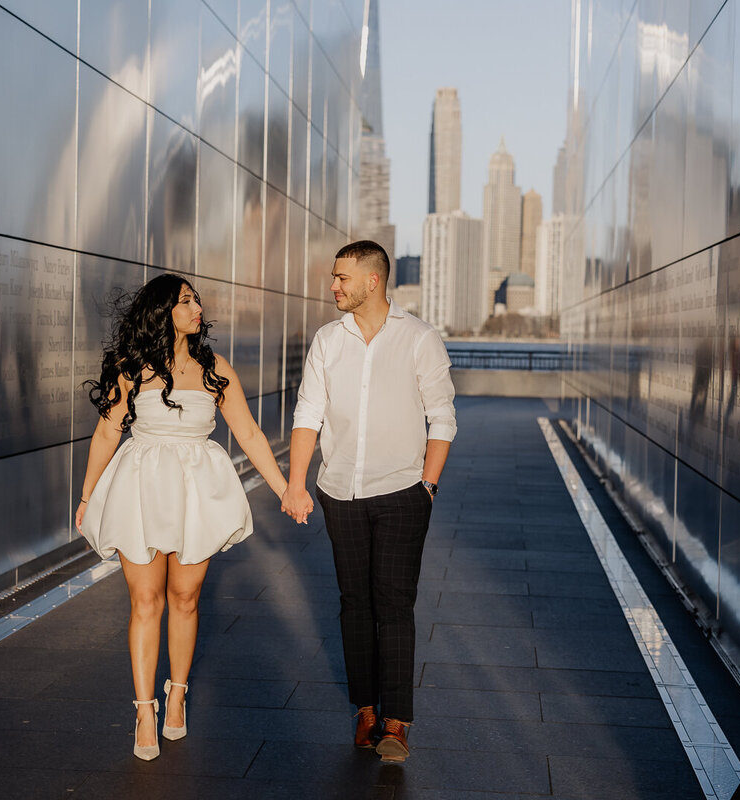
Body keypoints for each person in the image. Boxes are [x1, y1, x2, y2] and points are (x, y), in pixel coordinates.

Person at [76, 273, 308, 761]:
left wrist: (286, 488)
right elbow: (105, 435)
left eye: (196, 300)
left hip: (194, 494)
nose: (197, 307)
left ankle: (176, 692)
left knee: (184, 597)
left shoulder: (214, 368)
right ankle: (145, 709)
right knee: (146, 601)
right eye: (185, 301)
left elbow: (247, 432)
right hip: (139, 491)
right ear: (163, 312)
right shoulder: (130, 367)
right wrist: (86, 496)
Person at [280, 240, 456, 763]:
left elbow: (442, 417)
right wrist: (296, 483)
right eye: (334, 278)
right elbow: (308, 412)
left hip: (404, 491)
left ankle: (397, 720)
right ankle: (365, 711)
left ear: (372, 280)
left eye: (342, 278)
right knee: (354, 603)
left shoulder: (419, 338)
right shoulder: (327, 341)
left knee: (394, 604)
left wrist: (428, 487)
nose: (333, 286)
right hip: (341, 493)